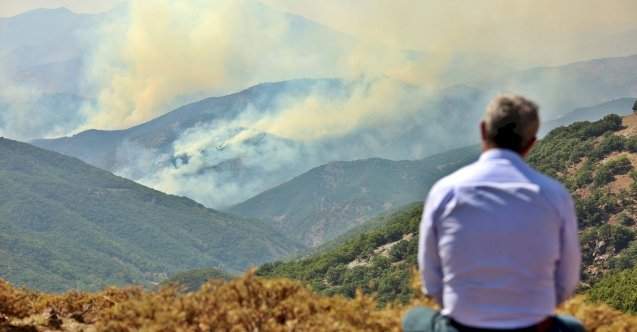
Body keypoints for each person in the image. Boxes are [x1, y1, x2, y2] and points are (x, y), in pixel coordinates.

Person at [403, 94, 585, 332]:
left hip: (462, 327)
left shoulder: (445, 191)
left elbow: (431, 281)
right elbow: (567, 281)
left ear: (482, 130)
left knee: (413, 318)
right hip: (533, 327)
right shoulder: (555, 195)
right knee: (574, 326)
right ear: (531, 143)